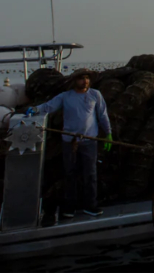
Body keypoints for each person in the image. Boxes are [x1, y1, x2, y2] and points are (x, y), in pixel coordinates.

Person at [27, 69, 112, 218]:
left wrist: (108, 134)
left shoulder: (95, 95)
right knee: (69, 174)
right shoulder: (65, 97)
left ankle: (90, 205)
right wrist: (35, 109)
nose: (84, 81)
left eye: (86, 78)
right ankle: (69, 207)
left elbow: (102, 115)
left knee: (90, 174)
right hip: (69, 142)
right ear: (74, 81)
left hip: (89, 141)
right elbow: (48, 106)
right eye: (81, 78)